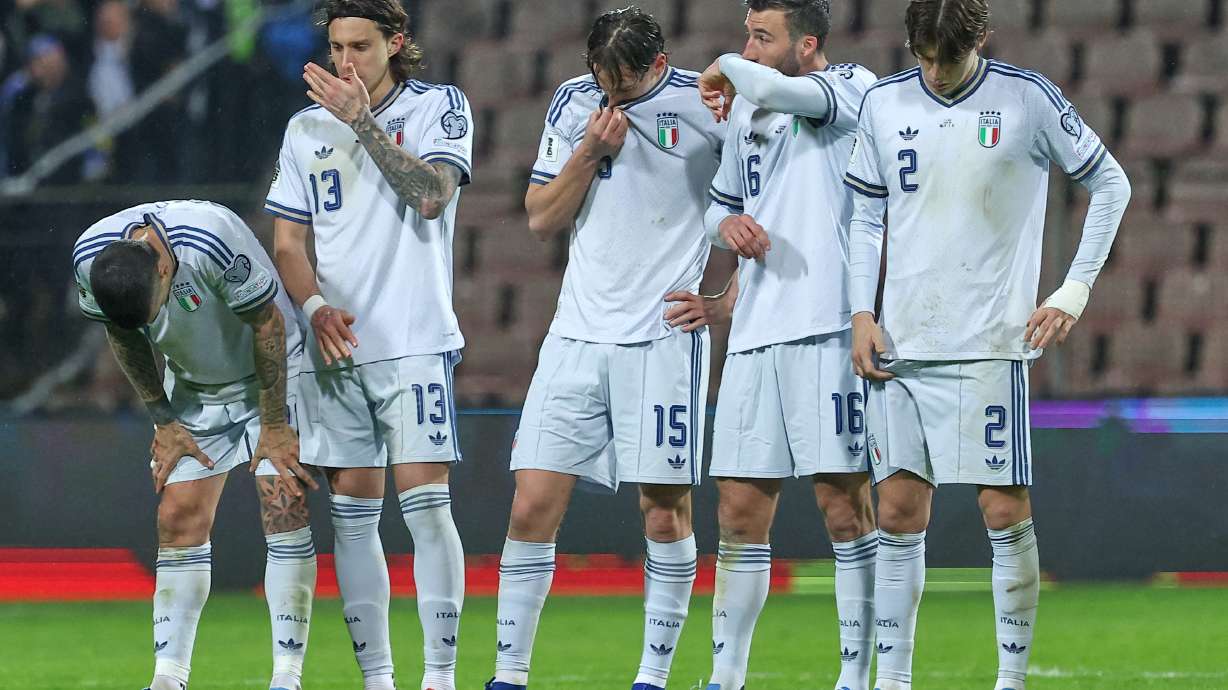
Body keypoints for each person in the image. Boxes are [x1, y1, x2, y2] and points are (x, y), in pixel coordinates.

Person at [842, 2, 1131, 689]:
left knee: (1003, 510)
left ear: (980, 38)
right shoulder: (882, 104)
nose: (938, 74)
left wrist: (1074, 290)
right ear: (912, 45)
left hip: (987, 344)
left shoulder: (1026, 99)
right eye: (926, 58)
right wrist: (860, 311)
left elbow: (1110, 181)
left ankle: (1010, 679)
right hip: (903, 344)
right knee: (898, 512)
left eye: (952, 58)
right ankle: (894, 680)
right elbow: (865, 212)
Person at [485, 7, 729, 690]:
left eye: (624, 82)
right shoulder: (574, 103)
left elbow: (764, 208)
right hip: (576, 335)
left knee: (663, 507)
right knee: (531, 503)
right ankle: (508, 675)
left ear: (657, 64)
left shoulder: (708, 107)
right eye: (602, 78)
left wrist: (723, 301)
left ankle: (652, 677)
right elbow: (540, 218)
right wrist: (591, 151)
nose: (611, 95)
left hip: (662, 339)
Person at [265, 0, 473, 688]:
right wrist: (315, 307)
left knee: (425, 505)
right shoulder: (304, 130)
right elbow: (289, 242)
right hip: (337, 347)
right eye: (336, 48)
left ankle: (439, 677)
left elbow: (434, 195)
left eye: (360, 45)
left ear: (397, 42)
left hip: (414, 336)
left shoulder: (440, 106)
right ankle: (379, 681)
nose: (345, 62)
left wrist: (363, 122)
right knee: (352, 517)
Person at [696, 2, 877, 689]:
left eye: (761, 36)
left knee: (842, 504)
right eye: (745, 35)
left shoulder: (849, 89)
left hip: (828, 326)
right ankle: (726, 676)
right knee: (738, 510)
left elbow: (767, 86)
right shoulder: (745, 112)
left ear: (808, 44)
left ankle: (857, 676)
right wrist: (728, 229)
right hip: (753, 335)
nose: (747, 48)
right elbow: (718, 203)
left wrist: (720, 67)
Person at [71, 200, 318, 690]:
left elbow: (268, 324)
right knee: (177, 516)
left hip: (274, 376)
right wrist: (163, 419)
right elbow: (124, 336)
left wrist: (273, 426)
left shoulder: (211, 237)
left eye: (156, 308)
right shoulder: (90, 257)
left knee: (282, 503)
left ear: (165, 267)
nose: (152, 321)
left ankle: (286, 677)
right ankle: (168, 678)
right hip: (195, 389)